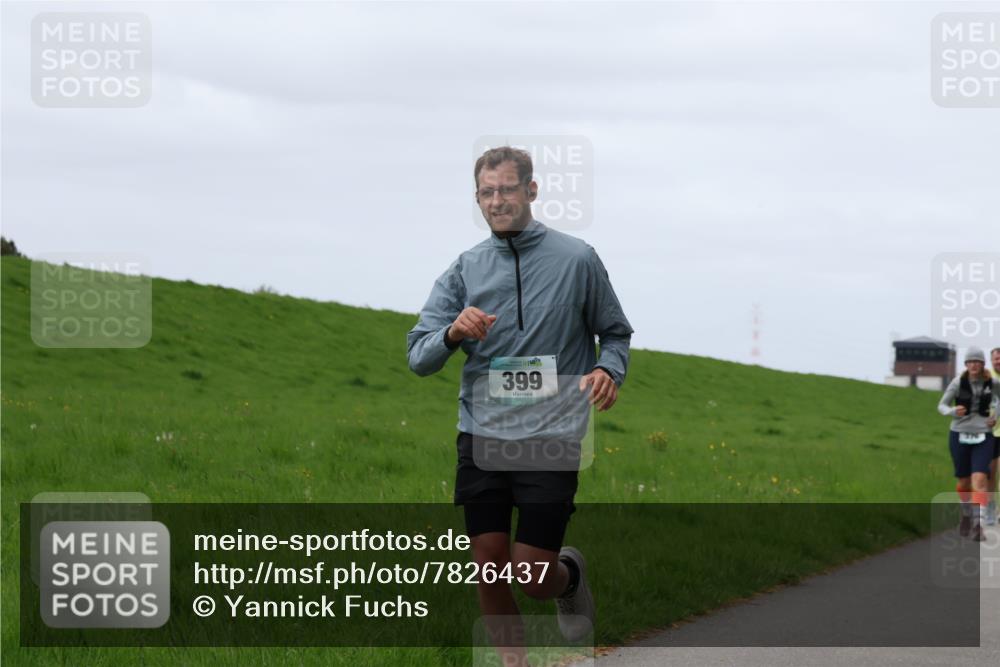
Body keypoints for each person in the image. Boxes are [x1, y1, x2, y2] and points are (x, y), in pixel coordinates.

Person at [407, 146, 633, 662]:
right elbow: (418, 355)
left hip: (552, 435)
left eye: (507, 189)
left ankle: (568, 576)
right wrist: (450, 332)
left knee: (531, 575)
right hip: (483, 432)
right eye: (487, 192)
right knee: (488, 562)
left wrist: (606, 370)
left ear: (531, 190)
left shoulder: (577, 259)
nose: (497, 201)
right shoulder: (465, 269)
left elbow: (615, 334)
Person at [938, 347, 999, 540]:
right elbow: (941, 406)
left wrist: (995, 416)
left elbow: (999, 401)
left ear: (982, 364)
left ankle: (977, 525)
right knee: (964, 482)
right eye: (970, 361)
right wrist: (953, 411)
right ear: (966, 364)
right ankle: (965, 515)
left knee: (980, 480)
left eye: (977, 361)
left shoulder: (993, 382)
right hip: (959, 434)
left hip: (984, 435)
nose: (973, 364)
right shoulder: (957, 383)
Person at [987, 347, 1000, 524]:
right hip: (988, 432)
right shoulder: (985, 377)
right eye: (996, 359)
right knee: (990, 473)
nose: (998, 361)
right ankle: (990, 509)